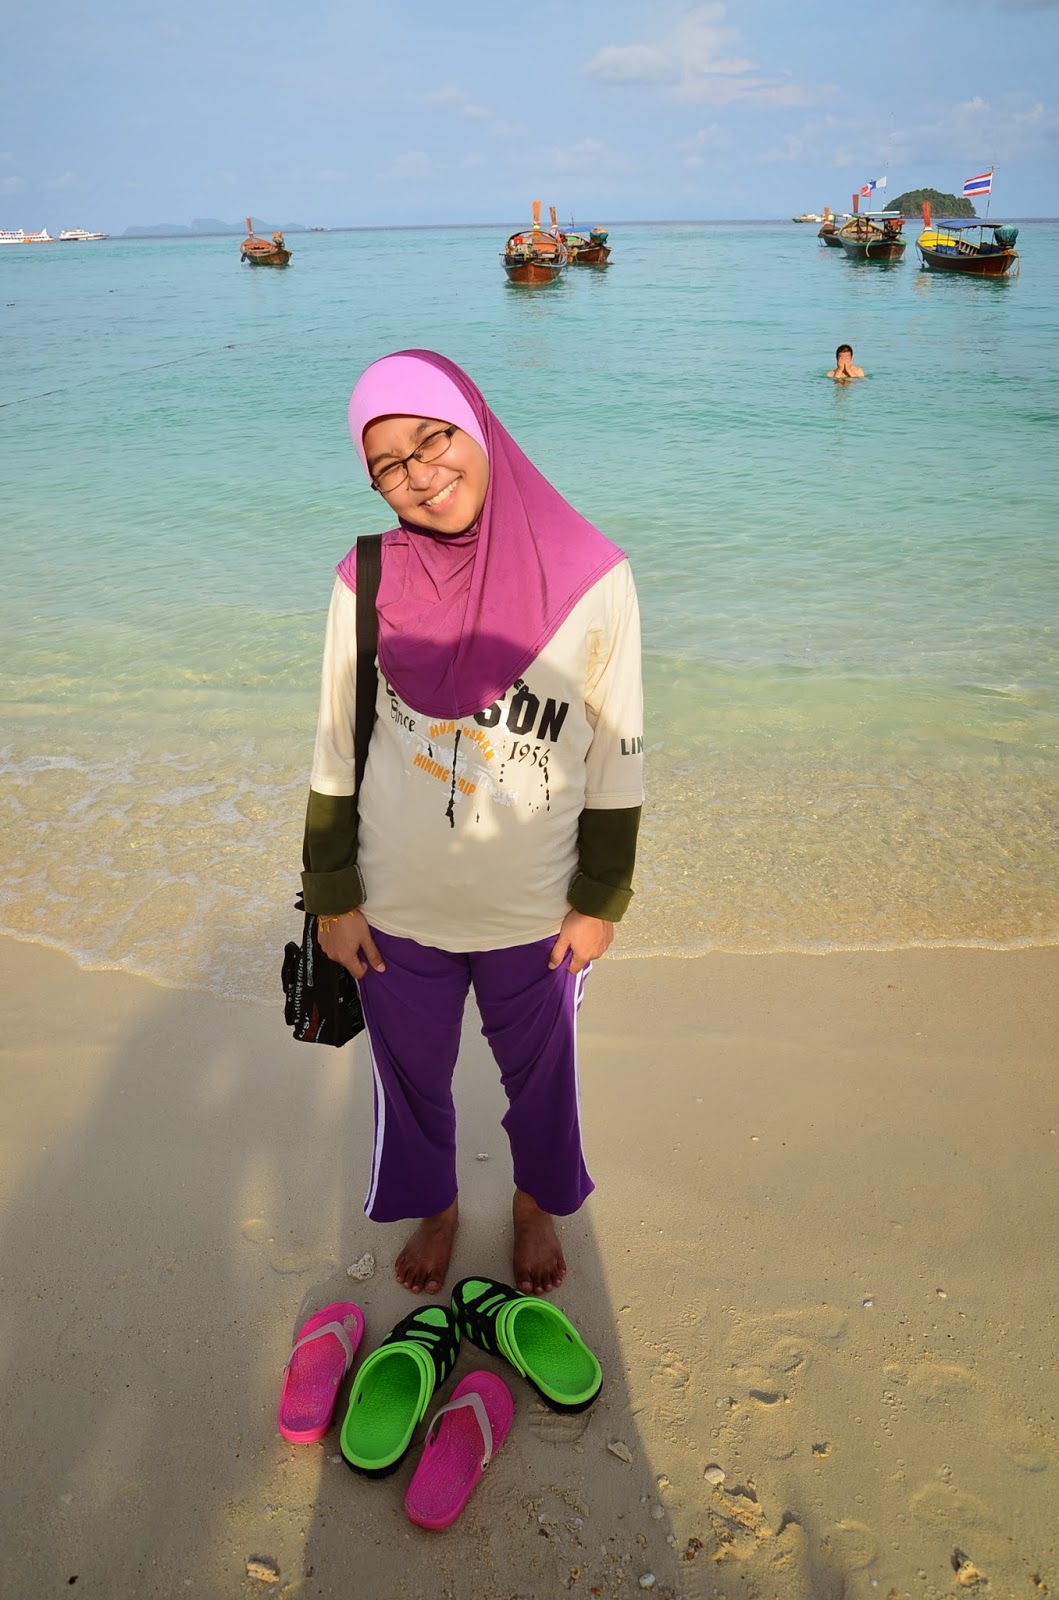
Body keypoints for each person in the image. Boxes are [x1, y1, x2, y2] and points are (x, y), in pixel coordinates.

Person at [302, 350, 644, 1298]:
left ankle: (534, 1202)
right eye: (389, 465)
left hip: (535, 911)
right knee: (409, 1081)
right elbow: (335, 744)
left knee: (543, 1082)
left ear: (479, 427)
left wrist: (599, 900)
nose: (420, 474)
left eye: (433, 438)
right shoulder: (367, 576)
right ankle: (438, 1206)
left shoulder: (594, 576)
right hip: (395, 906)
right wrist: (334, 897)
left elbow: (618, 753)